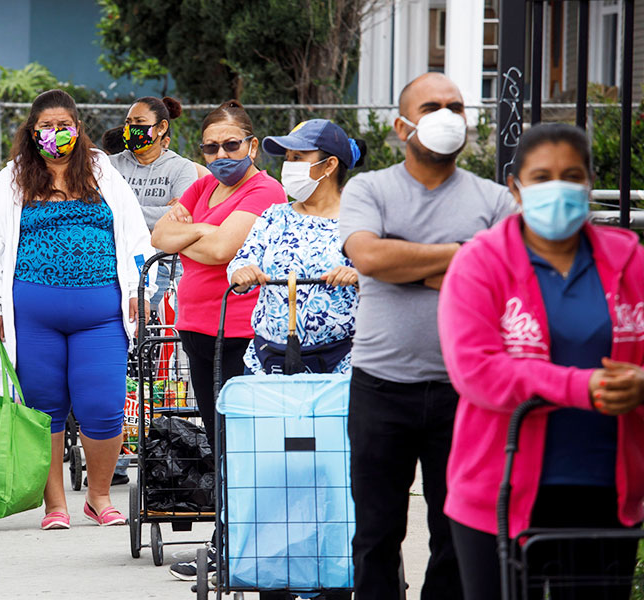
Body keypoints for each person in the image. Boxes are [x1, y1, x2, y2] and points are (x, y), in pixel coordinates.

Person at [438, 123, 644, 600]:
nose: (559, 188)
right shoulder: (481, 263)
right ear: (515, 187)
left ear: (591, 181)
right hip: (498, 494)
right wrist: (581, 387)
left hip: (606, 493)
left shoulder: (629, 260)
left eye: (572, 176)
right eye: (542, 176)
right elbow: (477, 371)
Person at [338, 72, 517, 600]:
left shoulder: (494, 199)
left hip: (466, 395)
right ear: (401, 126)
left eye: (456, 105)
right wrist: (467, 254)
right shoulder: (370, 188)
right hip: (380, 388)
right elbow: (367, 255)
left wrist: (404, 258)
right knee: (375, 535)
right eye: (433, 105)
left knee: (456, 537)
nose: (447, 115)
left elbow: (506, 275)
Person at [0, 89, 155, 531]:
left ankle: (99, 496)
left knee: (104, 405)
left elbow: (134, 235)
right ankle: (55, 505)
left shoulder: (103, 172)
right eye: (46, 127)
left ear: (78, 128)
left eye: (64, 125)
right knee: (44, 408)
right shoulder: (13, 178)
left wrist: (138, 288)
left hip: (101, 314)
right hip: (32, 317)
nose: (56, 134)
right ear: (33, 133)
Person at [150, 100, 287, 580]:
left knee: (241, 442)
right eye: (211, 147)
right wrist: (199, 234)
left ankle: (239, 546)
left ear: (252, 145)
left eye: (232, 145)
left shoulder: (266, 190)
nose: (221, 154)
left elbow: (224, 249)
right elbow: (160, 235)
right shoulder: (206, 183)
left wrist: (193, 232)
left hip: (241, 333)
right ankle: (227, 542)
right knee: (217, 438)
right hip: (198, 327)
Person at [229, 119, 365, 375]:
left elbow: (384, 277)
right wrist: (241, 274)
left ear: (330, 165)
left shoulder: (360, 220)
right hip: (266, 363)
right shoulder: (274, 216)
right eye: (287, 158)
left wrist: (359, 277)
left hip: (339, 367)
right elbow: (240, 263)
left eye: (298, 157)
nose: (288, 166)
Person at [110, 97, 199, 309]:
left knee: (165, 337)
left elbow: (182, 219)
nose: (132, 128)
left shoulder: (182, 168)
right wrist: (164, 213)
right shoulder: (111, 165)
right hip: (118, 264)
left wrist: (121, 211)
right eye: (128, 122)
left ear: (161, 128)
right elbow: (102, 211)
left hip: (167, 267)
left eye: (139, 122)